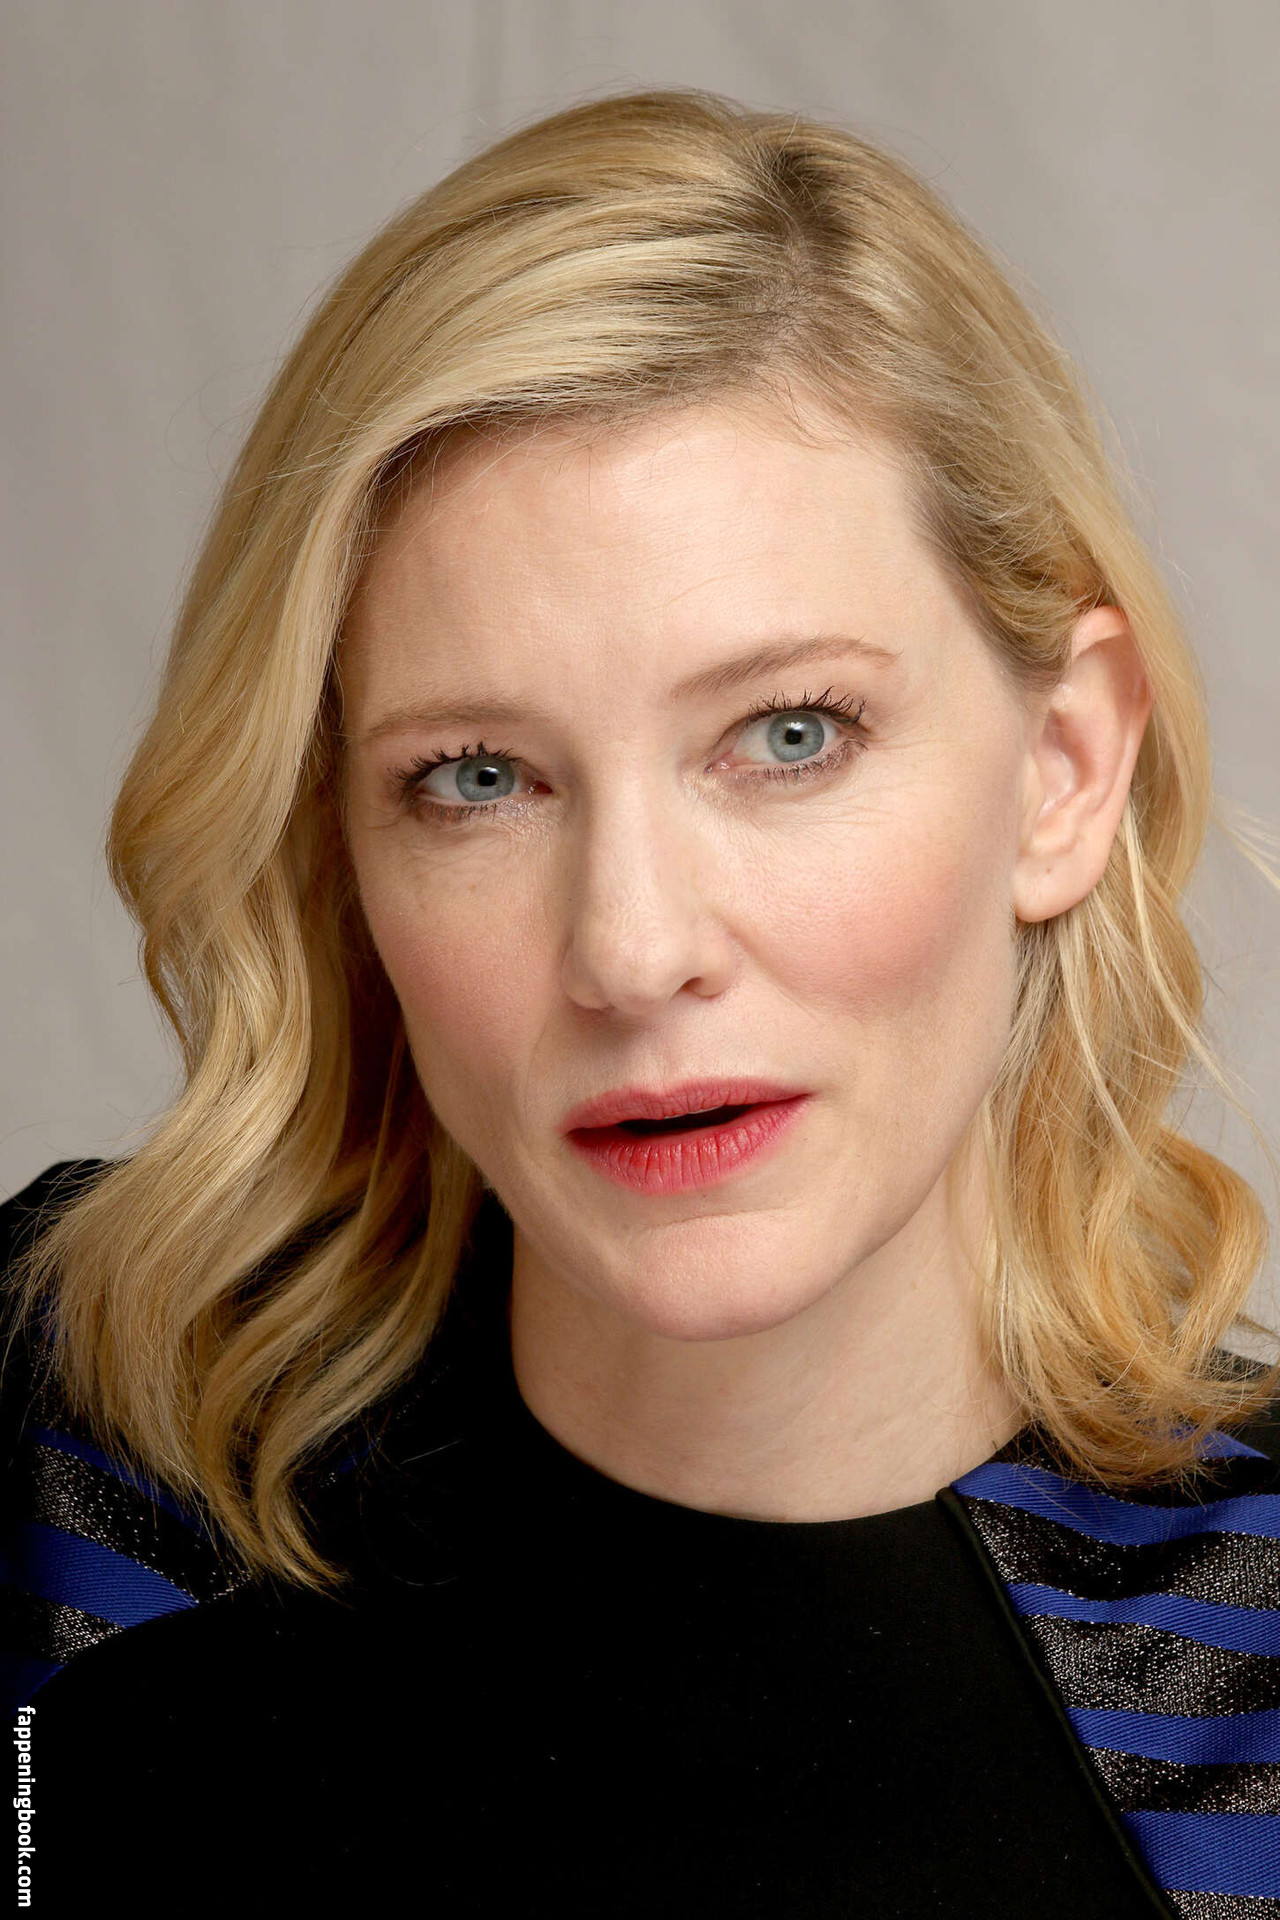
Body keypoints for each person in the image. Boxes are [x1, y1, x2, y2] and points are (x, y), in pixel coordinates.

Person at [3, 87, 1279, 1918]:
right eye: (477, 779)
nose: (628, 946)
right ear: (344, 841)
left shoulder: (1250, 1673)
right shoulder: (87, 1453)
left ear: (1065, 767)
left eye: (789, 735)